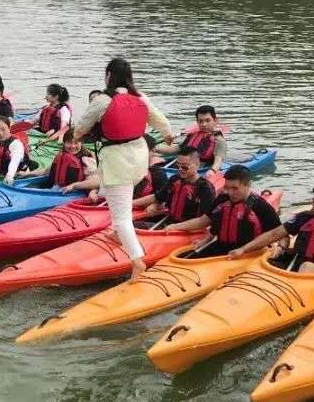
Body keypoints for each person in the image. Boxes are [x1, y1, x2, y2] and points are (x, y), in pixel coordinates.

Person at [73, 58, 174, 280]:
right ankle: (120, 234)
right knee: (118, 200)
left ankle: (137, 260)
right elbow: (162, 122)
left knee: (120, 217)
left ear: (108, 75)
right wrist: (167, 136)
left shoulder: (103, 100)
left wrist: (78, 136)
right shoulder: (141, 98)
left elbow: (80, 128)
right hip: (138, 158)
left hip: (117, 160)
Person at [171, 164, 282, 256]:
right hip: (221, 248)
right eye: (227, 187)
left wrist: (280, 247)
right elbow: (203, 221)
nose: (230, 193)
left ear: (248, 185)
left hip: (248, 254)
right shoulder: (222, 199)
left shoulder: (261, 206)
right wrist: (175, 227)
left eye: (235, 188)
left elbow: (281, 235)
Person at [137, 146, 216, 230]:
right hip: (169, 222)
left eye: (184, 167)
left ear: (197, 165)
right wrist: (130, 203)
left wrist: (176, 227)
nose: (180, 169)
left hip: (189, 230)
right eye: (178, 166)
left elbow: (205, 220)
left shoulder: (205, 188)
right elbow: (156, 197)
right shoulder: (175, 179)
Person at [156, 105, 226, 168]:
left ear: (215, 120)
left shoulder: (219, 141)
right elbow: (173, 149)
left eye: (208, 121)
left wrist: (212, 171)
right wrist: (153, 147)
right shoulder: (193, 134)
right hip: (182, 165)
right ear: (197, 121)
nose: (204, 124)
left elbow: (218, 161)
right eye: (200, 121)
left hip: (201, 168)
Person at [19, 132, 95, 188]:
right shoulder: (61, 154)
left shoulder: (87, 158)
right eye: (69, 143)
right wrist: (27, 174)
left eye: (76, 143)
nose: (72, 146)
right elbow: (46, 171)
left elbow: (94, 180)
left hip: (73, 192)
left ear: (81, 143)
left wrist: (74, 186)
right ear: (64, 143)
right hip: (56, 189)